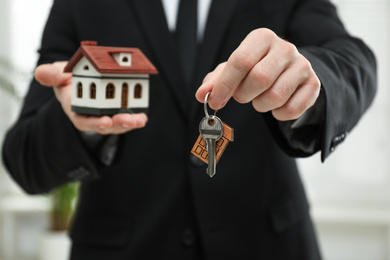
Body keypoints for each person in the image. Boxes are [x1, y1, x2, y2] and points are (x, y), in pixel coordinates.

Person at [2, 0, 376, 259]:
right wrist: (75, 122)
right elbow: (24, 160)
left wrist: (311, 79)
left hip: (266, 246)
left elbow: (352, 59)